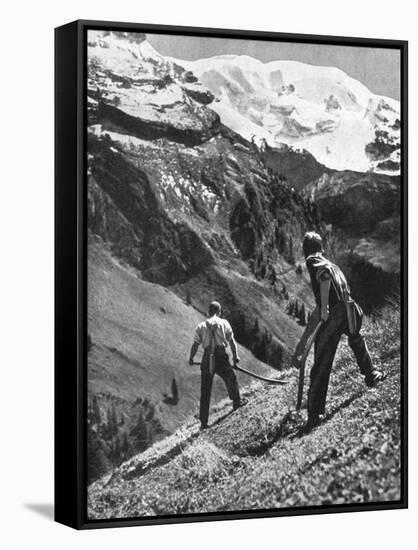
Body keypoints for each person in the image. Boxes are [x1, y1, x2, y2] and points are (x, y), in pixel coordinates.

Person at [299, 231, 383, 432]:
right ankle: (371, 374)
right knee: (356, 340)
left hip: (336, 312)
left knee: (321, 362)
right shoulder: (332, 263)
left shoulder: (313, 260)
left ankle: (314, 415)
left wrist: (325, 307)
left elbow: (324, 277)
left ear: (306, 250)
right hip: (350, 307)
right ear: (322, 247)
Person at [189, 301, 241, 429]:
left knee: (205, 389)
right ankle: (236, 402)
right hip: (221, 356)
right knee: (230, 377)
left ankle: (204, 422)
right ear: (219, 312)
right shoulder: (224, 323)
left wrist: (191, 358)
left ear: (208, 312)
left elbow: (195, 345)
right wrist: (235, 357)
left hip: (207, 358)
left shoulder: (201, 326)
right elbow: (232, 342)